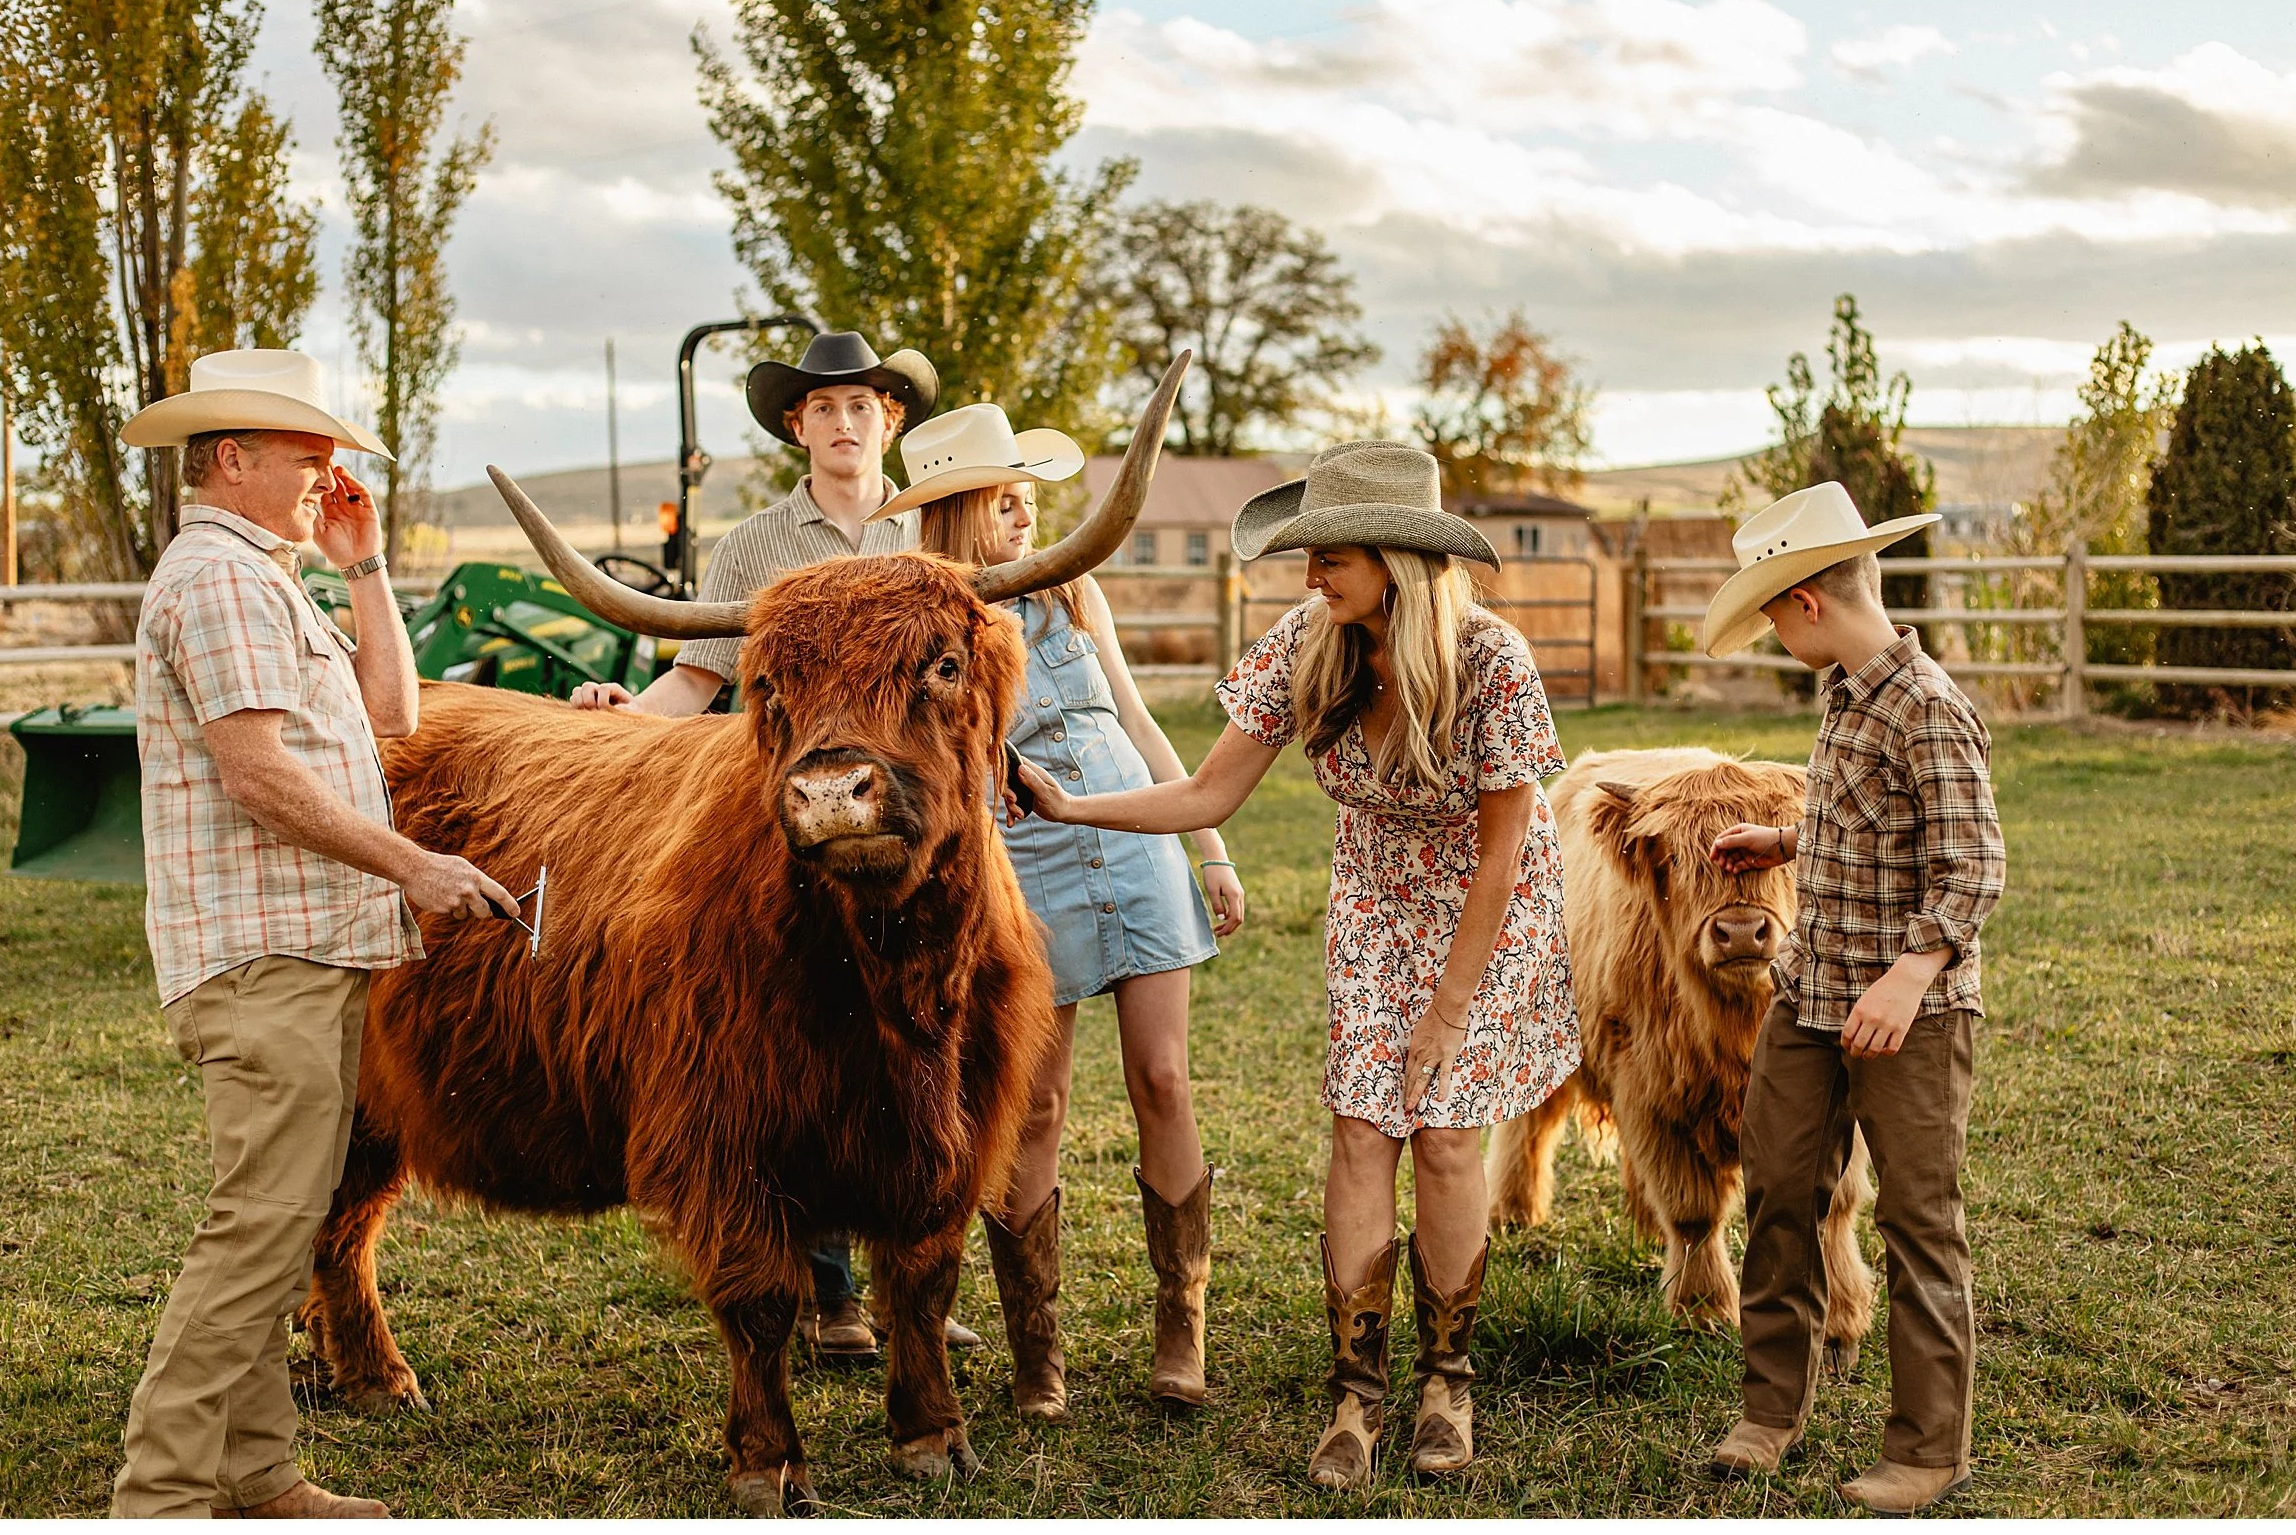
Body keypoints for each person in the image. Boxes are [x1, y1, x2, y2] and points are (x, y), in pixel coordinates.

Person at [1009, 441, 1579, 1486]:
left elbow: (1504, 853)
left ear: (1396, 562)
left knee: (1447, 1135)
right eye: (1307, 555)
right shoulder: (1308, 644)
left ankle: (1446, 1382)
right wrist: (1072, 804)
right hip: (1375, 898)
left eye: (1329, 557)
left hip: (1487, 909)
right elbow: (1208, 793)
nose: (1309, 575)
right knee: (1362, 1129)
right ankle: (1356, 1393)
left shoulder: (1492, 660)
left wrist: (1449, 1011)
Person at [111, 349, 517, 1519]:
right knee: (256, 1236)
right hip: (264, 959)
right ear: (232, 458)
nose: (327, 476)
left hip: (304, 949)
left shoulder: (267, 577)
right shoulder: (219, 581)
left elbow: (392, 715)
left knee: (279, 1226)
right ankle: (163, 1494)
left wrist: (365, 565)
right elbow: (254, 772)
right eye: (309, 456)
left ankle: (258, 1473)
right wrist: (415, 865)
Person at [565, 329, 980, 1359]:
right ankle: (831, 1293)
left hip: (922, 837)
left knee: (920, 1049)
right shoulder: (754, 546)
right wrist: (617, 725)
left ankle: (913, 1282)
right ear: (798, 426)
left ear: (891, 421)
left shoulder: (933, 535)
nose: (844, 423)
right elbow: (699, 679)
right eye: (823, 407)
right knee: (810, 1041)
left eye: (862, 405)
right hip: (790, 834)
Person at [867, 403, 1247, 1417]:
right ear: (954, 513)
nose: (1025, 514)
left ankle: (1182, 1329)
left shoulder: (1076, 590)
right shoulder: (924, 628)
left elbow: (1136, 718)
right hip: (1022, 863)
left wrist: (1209, 846)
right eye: (1003, 499)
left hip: (1132, 833)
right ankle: (1038, 1353)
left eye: (1027, 496)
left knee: (1164, 1077)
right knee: (1034, 1104)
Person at [1697, 482, 2006, 1515]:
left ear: (1810, 604)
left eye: (1774, 616)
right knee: (1780, 1194)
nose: (1775, 635)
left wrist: (1911, 976)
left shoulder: (1929, 707)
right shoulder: (1842, 695)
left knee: (1918, 1224)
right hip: (1809, 998)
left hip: (1907, 1019)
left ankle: (1928, 1448)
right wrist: (1784, 840)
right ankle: (1770, 1408)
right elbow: (1871, 821)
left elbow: (1972, 867)